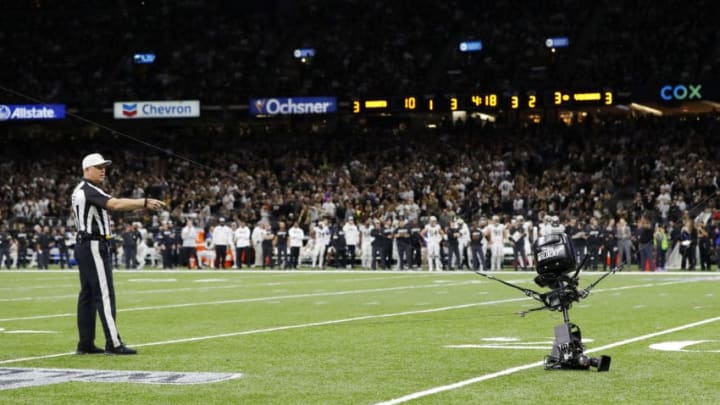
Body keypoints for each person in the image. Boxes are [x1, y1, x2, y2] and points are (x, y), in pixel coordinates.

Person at [71, 153, 165, 355]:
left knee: (87, 295)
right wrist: (144, 202)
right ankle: (113, 343)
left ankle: (85, 343)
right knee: (104, 295)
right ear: (87, 169)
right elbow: (115, 204)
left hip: (85, 244)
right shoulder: (88, 190)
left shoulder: (81, 190)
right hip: (93, 244)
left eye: (104, 166)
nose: (103, 170)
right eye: (98, 166)